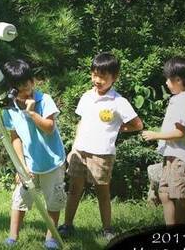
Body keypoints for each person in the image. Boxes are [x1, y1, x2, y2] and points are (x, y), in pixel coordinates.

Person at [58, 52, 143, 241]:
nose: (97, 80)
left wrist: (117, 128)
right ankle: (67, 225)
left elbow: (138, 125)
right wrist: (74, 146)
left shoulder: (118, 101)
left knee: (102, 192)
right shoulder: (87, 96)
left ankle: (107, 229)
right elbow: (81, 122)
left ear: (115, 77)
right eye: (94, 75)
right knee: (74, 189)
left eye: (103, 77)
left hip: (102, 153)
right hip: (80, 150)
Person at [1, 59, 66, 250]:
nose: (26, 91)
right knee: (20, 198)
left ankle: (51, 238)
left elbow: (49, 128)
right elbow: (15, 138)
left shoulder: (44, 100)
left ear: (33, 80)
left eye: (28, 84)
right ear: (12, 89)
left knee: (53, 200)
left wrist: (31, 114)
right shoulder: (9, 108)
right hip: (29, 163)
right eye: (20, 88)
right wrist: (21, 166)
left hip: (52, 161)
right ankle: (13, 237)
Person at [142, 57, 185, 225]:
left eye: (169, 79)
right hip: (172, 156)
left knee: (184, 198)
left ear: (179, 80)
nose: (166, 82)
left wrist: (155, 135)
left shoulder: (184, 101)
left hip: (181, 158)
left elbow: (179, 132)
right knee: (165, 194)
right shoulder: (178, 99)